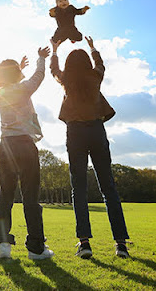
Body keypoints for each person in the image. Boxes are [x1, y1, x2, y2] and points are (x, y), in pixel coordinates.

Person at [50, 36, 130, 259]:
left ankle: (84, 243)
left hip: (75, 132)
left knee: (79, 188)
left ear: (69, 65)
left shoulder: (66, 79)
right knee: (109, 187)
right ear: (86, 63)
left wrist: (55, 50)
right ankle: (121, 244)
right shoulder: (95, 76)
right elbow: (101, 65)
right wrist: (93, 48)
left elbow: (54, 70)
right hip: (96, 130)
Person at [0, 46, 54, 260]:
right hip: (25, 145)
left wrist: (17, 69)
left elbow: (13, 83)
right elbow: (38, 77)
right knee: (30, 197)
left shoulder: (0, 93)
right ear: (16, 76)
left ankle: (2, 244)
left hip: (6, 146)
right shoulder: (23, 89)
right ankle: (36, 249)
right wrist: (40, 58)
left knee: (5, 196)